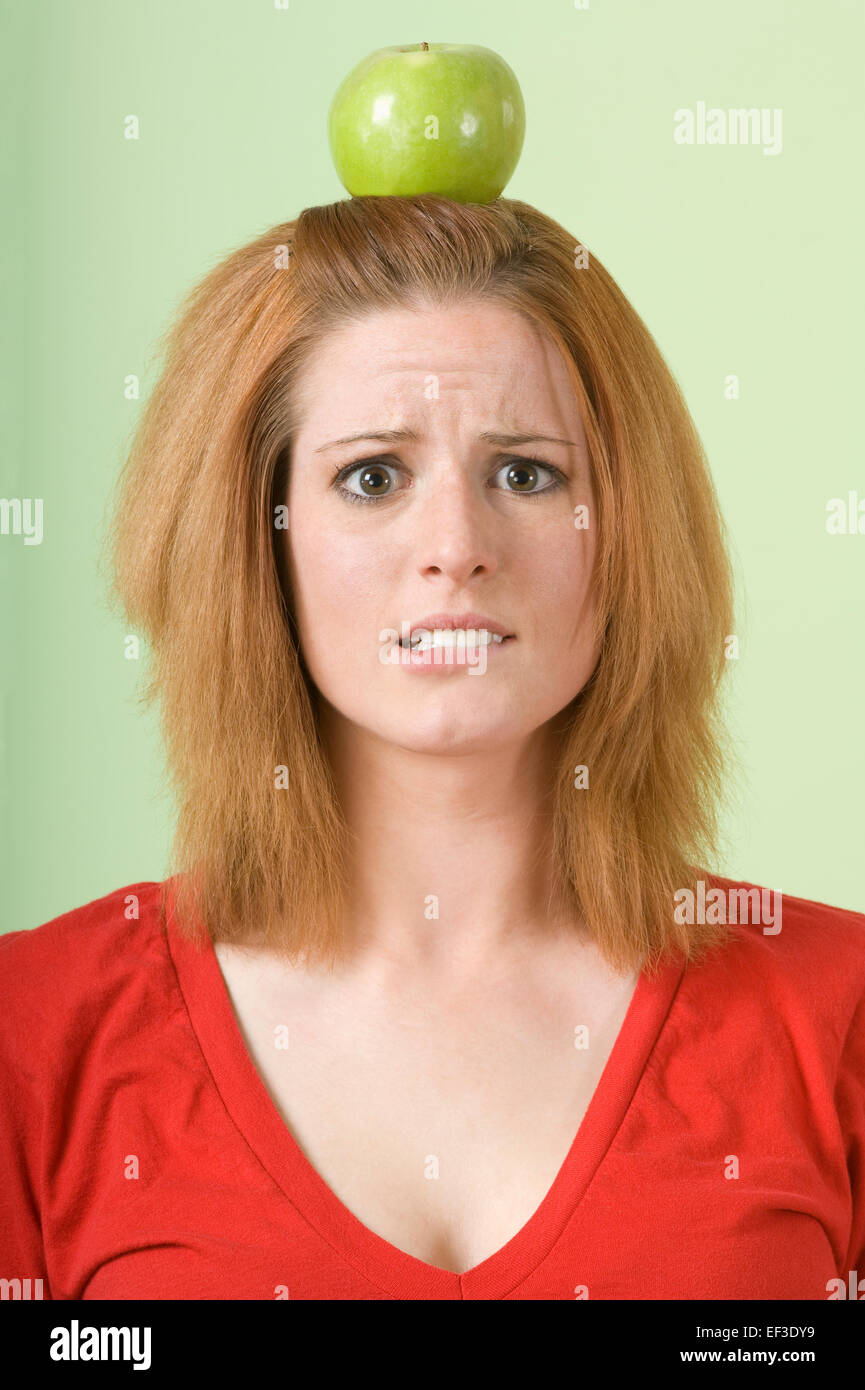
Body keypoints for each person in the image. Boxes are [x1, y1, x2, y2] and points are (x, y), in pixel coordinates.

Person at [1, 196, 863, 1301]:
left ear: (633, 531)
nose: (455, 548)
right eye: (372, 476)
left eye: (525, 473)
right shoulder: (33, 1034)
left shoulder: (838, 1014)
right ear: (251, 540)